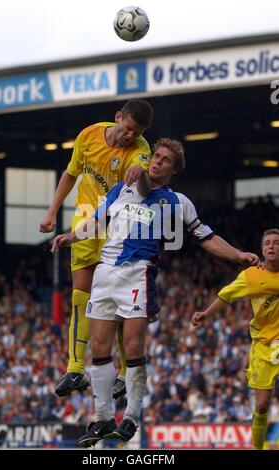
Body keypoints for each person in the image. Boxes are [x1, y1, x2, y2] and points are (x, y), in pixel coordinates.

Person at [51, 137, 259, 447]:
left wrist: (239, 255)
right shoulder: (122, 189)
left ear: (174, 170)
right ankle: (103, 417)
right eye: (156, 156)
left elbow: (207, 237)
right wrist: (70, 236)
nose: (158, 161)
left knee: (133, 347)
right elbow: (97, 220)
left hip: (138, 274)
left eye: (165, 161)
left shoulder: (177, 201)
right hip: (105, 272)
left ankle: (131, 417)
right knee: (99, 346)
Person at [40, 99, 154, 398]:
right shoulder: (88, 135)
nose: (130, 135)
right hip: (86, 220)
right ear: (118, 118)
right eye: (128, 128)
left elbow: (142, 176)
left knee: (115, 302)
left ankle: (126, 372)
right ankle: (75, 368)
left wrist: (138, 171)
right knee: (81, 295)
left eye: (136, 132)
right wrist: (52, 212)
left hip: (118, 226)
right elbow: (70, 174)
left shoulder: (141, 150)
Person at [191, 228, 279, 450]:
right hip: (263, 345)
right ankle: (257, 448)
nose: (271, 246)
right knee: (261, 405)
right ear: (261, 249)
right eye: (267, 243)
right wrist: (205, 314)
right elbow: (226, 295)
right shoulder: (251, 276)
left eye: (276, 243)